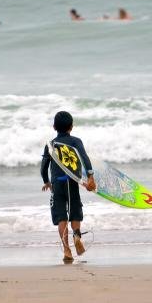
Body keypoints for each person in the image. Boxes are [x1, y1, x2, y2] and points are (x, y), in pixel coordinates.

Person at [41, 111, 96, 263]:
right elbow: (84, 158)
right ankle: (77, 235)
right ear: (71, 127)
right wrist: (90, 176)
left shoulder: (50, 145)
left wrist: (46, 182)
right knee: (75, 213)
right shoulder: (76, 141)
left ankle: (67, 250)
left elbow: (43, 167)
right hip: (72, 182)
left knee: (61, 217)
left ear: (54, 127)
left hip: (57, 183)